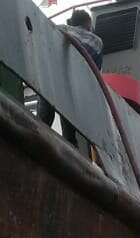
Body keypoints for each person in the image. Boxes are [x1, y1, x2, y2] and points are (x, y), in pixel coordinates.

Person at [38, 10, 103, 148]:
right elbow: (95, 73)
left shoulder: (59, 28)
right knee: (69, 133)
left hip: (49, 80)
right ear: (88, 24)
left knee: (42, 123)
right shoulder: (95, 40)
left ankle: (36, 146)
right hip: (71, 88)